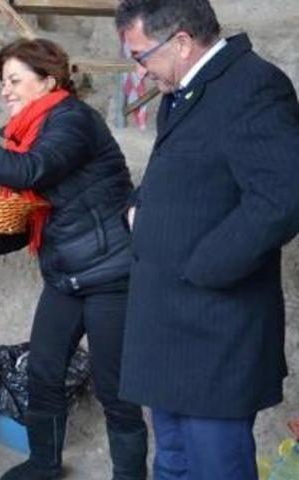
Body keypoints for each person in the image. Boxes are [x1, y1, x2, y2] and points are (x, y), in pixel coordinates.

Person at [0, 39, 148, 480]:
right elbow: (32, 216)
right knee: (44, 372)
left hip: (110, 274)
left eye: (14, 80)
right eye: (2, 82)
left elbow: (30, 172)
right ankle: (43, 463)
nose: (5, 91)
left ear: (48, 81)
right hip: (66, 275)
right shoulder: (29, 133)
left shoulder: (73, 121)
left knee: (115, 388)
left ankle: (130, 475)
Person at [114, 1, 299, 478]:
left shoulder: (253, 86)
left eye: (141, 56)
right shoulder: (185, 89)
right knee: (173, 459)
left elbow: (282, 198)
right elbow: (188, 170)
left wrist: (203, 268)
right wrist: (141, 206)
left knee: (215, 465)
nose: (140, 70)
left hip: (213, 325)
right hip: (171, 323)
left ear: (180, 41)